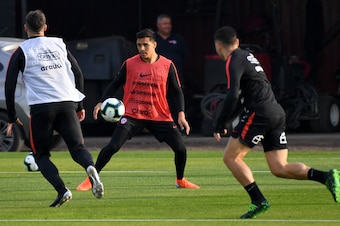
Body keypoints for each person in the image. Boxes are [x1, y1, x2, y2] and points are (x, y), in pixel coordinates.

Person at [212, 26, 340, 219]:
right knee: (279, 167)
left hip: (260, 113)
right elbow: (242, 96)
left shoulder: (233, 60)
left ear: (218, 46)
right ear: (237, 41)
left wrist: (219, 122)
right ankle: (326, 177)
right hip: (275, 112)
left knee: (231, 158)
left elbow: (232, 95)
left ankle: (258, 200)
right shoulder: (247, 56)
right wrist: (227, 120)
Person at [76, 28, 199, 191]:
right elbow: (115, 83)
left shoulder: (167, 65)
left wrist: (181, 114)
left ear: (154, 44)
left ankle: (180, 180)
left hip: (160, 115)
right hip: (133, 115)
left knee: (180, 149)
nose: (142, 49)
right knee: (112, 146)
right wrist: (100, 102)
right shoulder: (130, 63)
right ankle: (92, 178)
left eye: (145, 45)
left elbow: (176, 91)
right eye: (139, 45)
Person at [5, 9, 104, 207]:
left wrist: (11, 116)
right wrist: (80, 104)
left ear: (26, 28)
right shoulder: (59, 44)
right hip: (67, 103)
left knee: (40, 154)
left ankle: (62, 190)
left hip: (41, 108)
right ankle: (90, 167)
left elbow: (9, 83)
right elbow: (78, 73)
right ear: (45, 27)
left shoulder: (22, 50)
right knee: (77, 148)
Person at [155, 14, 188, 86]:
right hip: (156, 78)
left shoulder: (178, 38)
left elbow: (184, 56)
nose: (168, 26)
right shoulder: (152, 39)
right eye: (165, 24)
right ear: (158, 25)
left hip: (176, 78)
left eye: (169, 24)